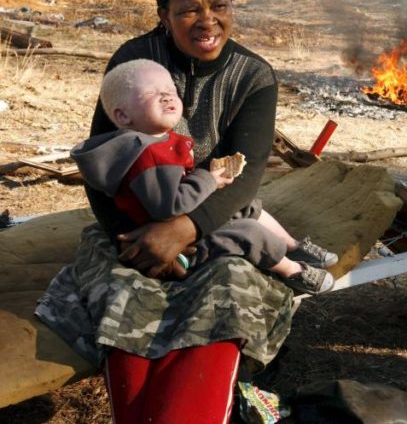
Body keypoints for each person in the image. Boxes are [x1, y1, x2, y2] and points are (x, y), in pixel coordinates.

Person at [36, 0, 327, 423]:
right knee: (121, 294)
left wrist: (184, 230)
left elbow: (244, 173)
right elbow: (101, 162)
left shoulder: (252, 76)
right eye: (189, 9)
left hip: (216, 223)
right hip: (133, 228)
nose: (207, 20)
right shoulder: (134, 61)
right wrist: (130, 240)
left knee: (228, 296)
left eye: (219, 6)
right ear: (163, 15)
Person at [70, 58, 336, 295]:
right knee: (247, 232)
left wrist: (206, 180)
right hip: (176, 249)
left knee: (245, 204)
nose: (166, 97)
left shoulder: (153, 141)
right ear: (123, 116)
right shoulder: (149, 155)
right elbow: (170, 207)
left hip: (176, 224)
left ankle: (291, 245)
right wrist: (209, 179)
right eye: (152, 94)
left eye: (170, 90)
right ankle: (292, 270)